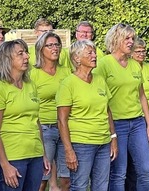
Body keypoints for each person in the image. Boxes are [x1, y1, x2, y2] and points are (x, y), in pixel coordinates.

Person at [93, 23, 149, 191]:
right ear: (116, 39)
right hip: (116, 124)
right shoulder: (103, 64)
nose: (131, 41)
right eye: (127, 38)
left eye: (132, 38)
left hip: (137, 123)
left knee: (146, 170)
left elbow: (141, 95)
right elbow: (99, 98)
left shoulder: (135, 64)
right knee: (119, 173)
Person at [0, 39, 49, 191]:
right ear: (7, 59)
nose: (27, 57)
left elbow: (36, 121)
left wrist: (43, 154)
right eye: (20, 54)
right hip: (12, 156)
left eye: (26, 52)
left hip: (34, 154)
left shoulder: (31, 85)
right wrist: (5, 165)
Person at [56, 39, 118, 191]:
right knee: (80, 186)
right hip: (81, 144)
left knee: (102, 186)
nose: (94, 55)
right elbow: (62, 120)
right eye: (89, 53)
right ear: (77, 58)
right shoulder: (68, 84)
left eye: (94, 52)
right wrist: (69, 150)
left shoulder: (100, 80)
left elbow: (107, 110)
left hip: (103, 143)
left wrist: (113, 137)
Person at [29, 32, 72, 191]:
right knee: (42, 179)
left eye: (57, 44)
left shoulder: (66, 71)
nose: (55, 48)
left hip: (65, 129)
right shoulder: (33, 74)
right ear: (41, 49)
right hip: (45, 128)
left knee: (66, 178)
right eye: (50, 45)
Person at [126, 37, 149, 190]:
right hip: (135, 116)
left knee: (144, 153)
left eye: (144, 51)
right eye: (138, 51)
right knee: (130, 158)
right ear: (131, 53)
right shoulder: (129, 67)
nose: (142, 54)